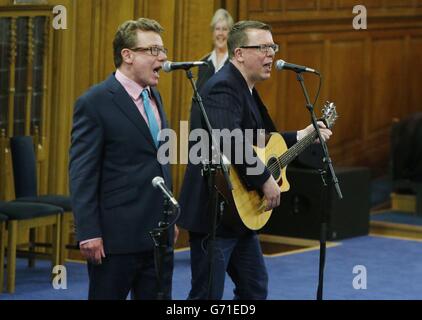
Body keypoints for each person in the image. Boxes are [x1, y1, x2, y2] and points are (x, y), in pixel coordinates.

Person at [178, 20, 332, 300]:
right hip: (216, 211)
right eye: (263, 47)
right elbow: (229, 139)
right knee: (206, 296)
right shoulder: (222, 86)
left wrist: (303, 134)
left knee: (254, 289)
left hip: (240, 214)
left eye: (273, 46)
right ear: (239, 54)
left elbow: (260, 141)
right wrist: (264, 179)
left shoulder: (245, 86)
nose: (271, 54)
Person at [69, 18, 176, 300]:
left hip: (157, 236)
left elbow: (158, 162)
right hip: (115, 240)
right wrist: (88, 231)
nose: (163, 57)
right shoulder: (95, 102)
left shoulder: (155, 97)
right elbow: (82, 173)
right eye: (153, 50)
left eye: (162, 50)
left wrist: (169, 219)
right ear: (127, 55)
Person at [195, 8, 234, 92]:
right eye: (217, 29)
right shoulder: (203, 63)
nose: (220, 33)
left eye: (224, 29)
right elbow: (197, 97)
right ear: (213, 33)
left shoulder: (235, 63)